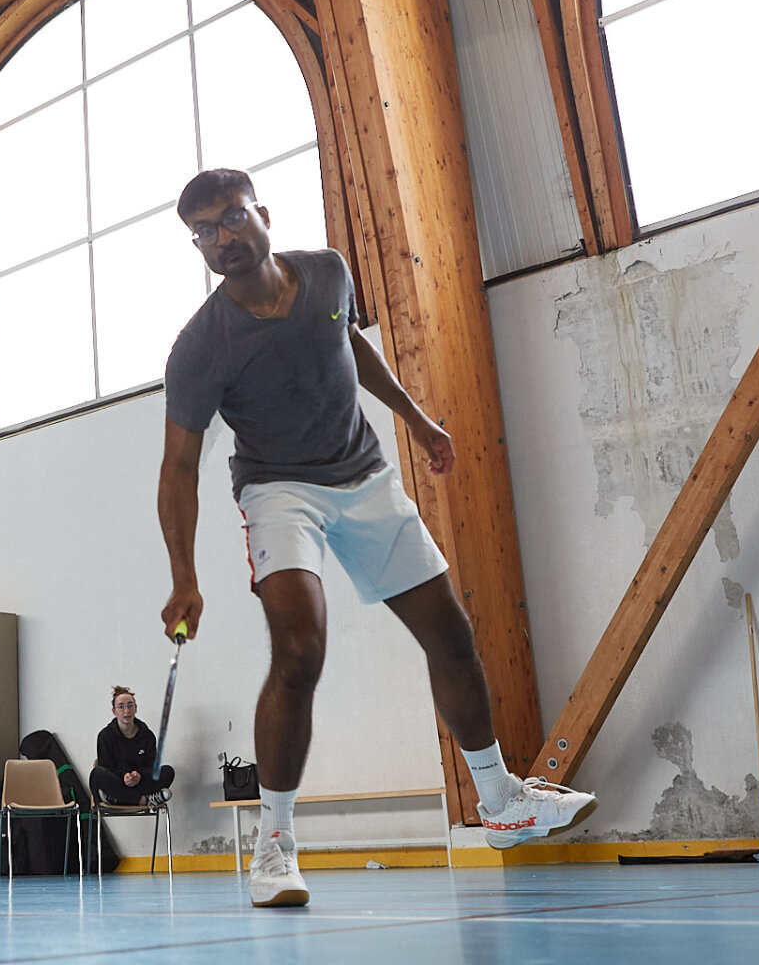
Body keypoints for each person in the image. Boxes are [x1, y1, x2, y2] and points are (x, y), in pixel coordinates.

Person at [157, 169, 597, 909]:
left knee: (451, 635)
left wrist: (416, 420)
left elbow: (349, 343)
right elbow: (177, 468)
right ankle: (274, 846)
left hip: (363, 476)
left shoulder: (328, 272)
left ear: (262, 214)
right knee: (300, 651)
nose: (220, 238)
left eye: (231, 218)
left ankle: (501, 801)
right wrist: (184, 576)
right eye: (202, 231)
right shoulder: (200, 348)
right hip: (278, 490)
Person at [91, 687, 175, 805]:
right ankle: (144, 800)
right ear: (114, 711)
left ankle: (120, 799)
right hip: (118, 782)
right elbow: (106, 766)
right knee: (97, 774)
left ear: (136, 708)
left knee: (167, 771)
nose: (126, 710)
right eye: (121, 706)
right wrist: (124, 776)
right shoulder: (105, 736)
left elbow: (151, 766)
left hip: (139, 782)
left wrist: (138, 775)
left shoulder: (148, 736)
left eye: (130, 705)